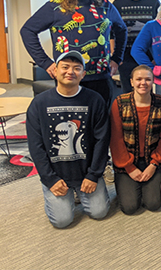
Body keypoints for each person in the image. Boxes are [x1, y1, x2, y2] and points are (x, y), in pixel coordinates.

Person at [21, 0, 127, 107]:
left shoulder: (104, 4)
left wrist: (117, 58)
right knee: (71, 118)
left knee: (101, 118)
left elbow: (121, 29)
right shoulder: (55, 6)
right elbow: (27, 30)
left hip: (100, 77)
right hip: (68, 79)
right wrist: (45, 63)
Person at [26, 51, 110, 228]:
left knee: (99, 212)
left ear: (83, 74)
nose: (70, 72)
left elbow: (102, 140)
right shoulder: (39, 103)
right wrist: (50, 180)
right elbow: (35, 145)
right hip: (57, 173)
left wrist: (94, 175)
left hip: (86, 172)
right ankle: (62, 192)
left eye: (76, 68)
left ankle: (79, 191)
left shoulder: (95, 100)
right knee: (62, 221)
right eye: (65, 67)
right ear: (55, 71)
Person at [109, 65, 161, 215]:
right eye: (139, 79)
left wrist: (154, 164)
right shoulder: (119, 103)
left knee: (154, 204)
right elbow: (116, 139)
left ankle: (147, 185)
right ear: (131, 82)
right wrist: (129, 168)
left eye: (147, 79)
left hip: (151, 161)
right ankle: (128, 185)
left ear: (153, 81)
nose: (143, 83)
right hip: (126, 161)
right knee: (130, 207)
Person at [113, 0, 160, 93]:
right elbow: (112, 32)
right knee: (128, 93)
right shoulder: (118, 4)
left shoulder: (154, 4)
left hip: (148, 58)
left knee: (148, 92)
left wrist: (156, 57)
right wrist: (116, 57)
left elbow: (159, 32)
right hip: (126, 58)